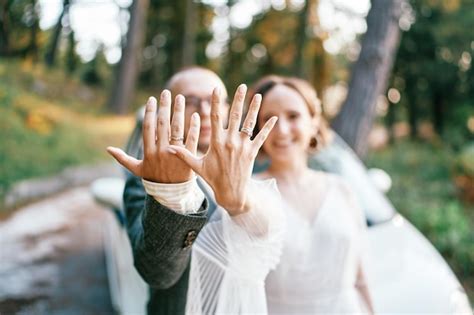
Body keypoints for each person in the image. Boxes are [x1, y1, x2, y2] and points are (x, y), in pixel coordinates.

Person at [107, 67, 283, 314]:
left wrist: (239, 203)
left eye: (215, 101)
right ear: (167, 113)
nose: (205, 111)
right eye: (190, 102)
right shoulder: (147, 181)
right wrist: (171, 193)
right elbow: (157, 274)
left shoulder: (248, 170)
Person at [247, 75, 375, 313]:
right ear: (258, 129)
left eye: (293, 116)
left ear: (314, 121)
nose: (282, 130)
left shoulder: (342, 190)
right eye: (269, 119)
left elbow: (360, 278)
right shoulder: (248, 195)